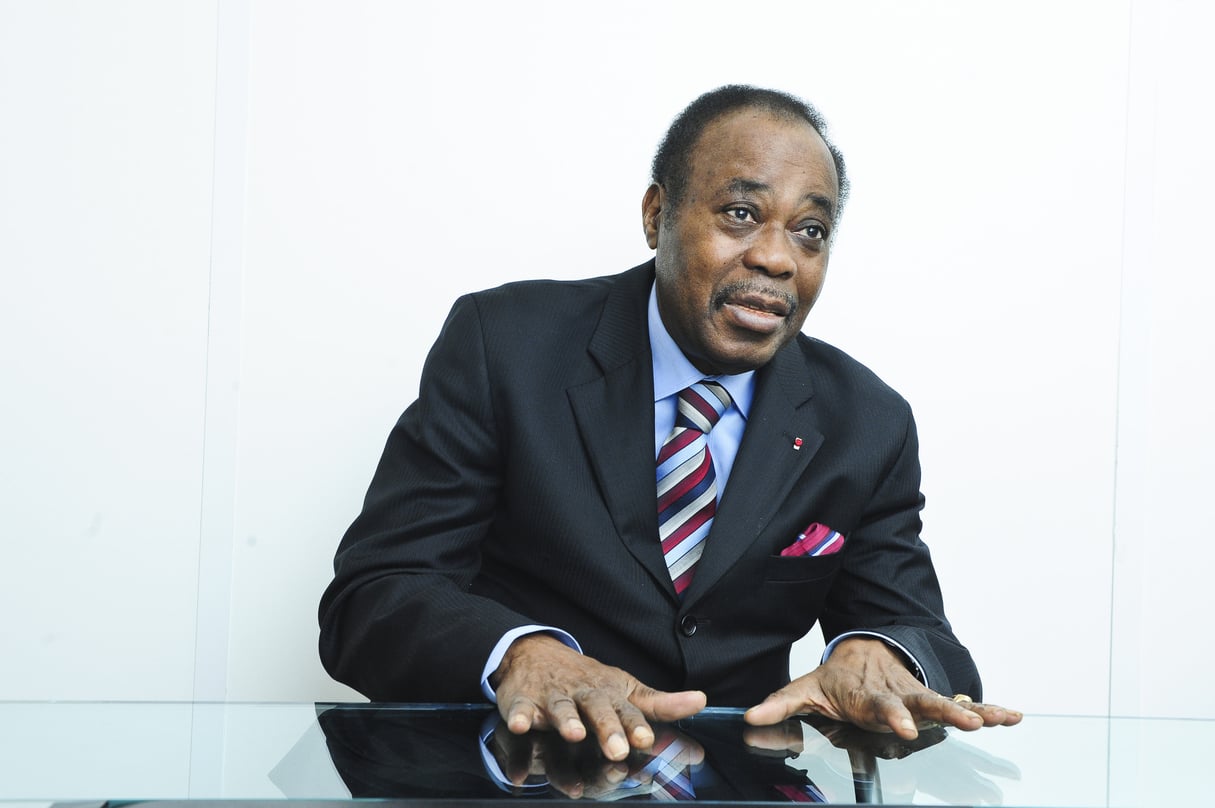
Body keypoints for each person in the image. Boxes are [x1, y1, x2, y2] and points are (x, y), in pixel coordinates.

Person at [319, 84, 1020, 764]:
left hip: (734, 782)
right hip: (519, 772)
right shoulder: (503, 346)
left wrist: (880, 652)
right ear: (656, 214)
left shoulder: (866, 422)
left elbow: (917, 630)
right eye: (741, 214)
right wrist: (519, 655)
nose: (777, 258)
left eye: (810, 231)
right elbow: (374, 596)